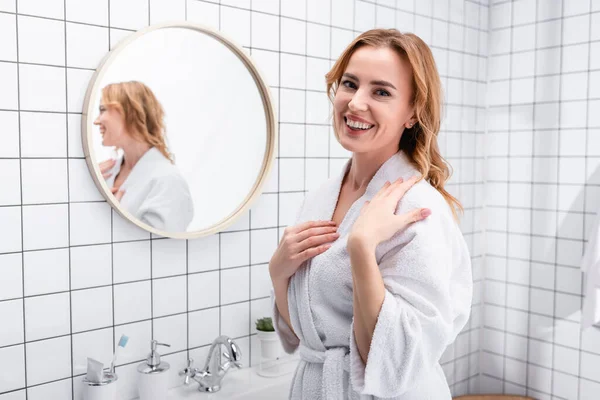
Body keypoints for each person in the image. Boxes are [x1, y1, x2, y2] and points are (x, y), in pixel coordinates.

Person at [269, 29, 473, 399]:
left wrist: (362, 248)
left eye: (381, 91)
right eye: (350, 84)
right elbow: (304, 336)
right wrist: (279, 271)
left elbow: (393, 364)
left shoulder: (418, 210)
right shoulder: (319, 199)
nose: (355, 103)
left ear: (412, 112)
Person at [94, 81, 194, 232]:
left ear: (130, 112)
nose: (96, 121)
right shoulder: (105, 173)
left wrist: (111, 217)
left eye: (102, 110)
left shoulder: (168, 182)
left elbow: (155, 251)